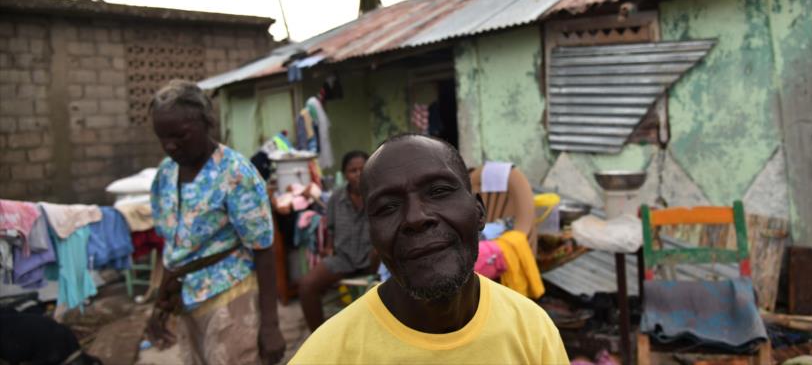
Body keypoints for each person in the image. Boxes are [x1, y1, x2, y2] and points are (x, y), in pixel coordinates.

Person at [290, 134, 568, 364]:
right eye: (388, 207)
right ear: (372, 234)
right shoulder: (327, 355)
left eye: (438, 192)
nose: (415, 218)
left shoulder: (532, 331)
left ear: (479, 212)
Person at [145, 80, 285, 365]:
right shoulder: (165, 173)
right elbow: (171, 247)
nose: (170, 145)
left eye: (180, 135)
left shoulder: (235, 174)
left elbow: (263, 249)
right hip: (185, 300)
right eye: (162, 137)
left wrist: (270, 325)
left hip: (229, 297)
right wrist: (160, 304)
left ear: (206, 122)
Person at [297, 150, 374, 332]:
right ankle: (319, 338)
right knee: (307, 285)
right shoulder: (336, 199)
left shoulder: (379, 194)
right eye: (352, 170)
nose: (357, 174)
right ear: (344, 174)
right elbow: (331, 228)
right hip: (344, 258)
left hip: (374, 259)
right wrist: (328, 247)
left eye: (362, 169)